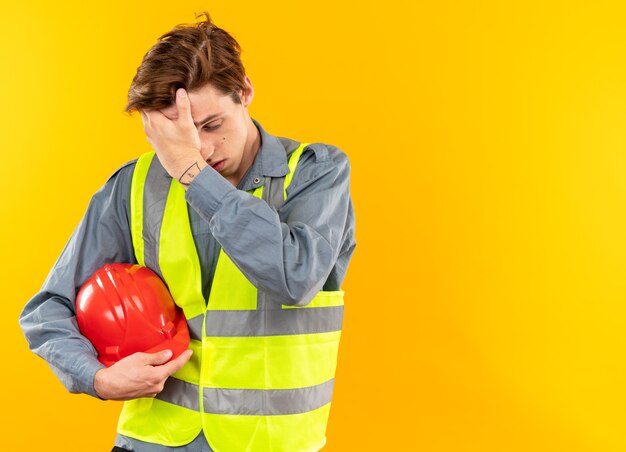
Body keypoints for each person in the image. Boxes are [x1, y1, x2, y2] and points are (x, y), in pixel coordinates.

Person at [19, 10, 356, 452]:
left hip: (272, 444)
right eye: (178, 135)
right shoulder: (135, 185)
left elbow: (295, 278)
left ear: (246, 92)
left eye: (211, 125)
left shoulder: (317, 173)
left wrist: (193, 174)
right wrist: (97, 377)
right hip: (151, 441)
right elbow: (47, 307)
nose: (200, 148)